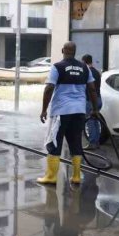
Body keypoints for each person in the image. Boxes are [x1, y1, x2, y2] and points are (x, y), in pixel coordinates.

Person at [38, 42, 97, 185]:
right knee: (76, 142)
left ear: (63, 50)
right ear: (75, 52)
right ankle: (76, 176)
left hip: (61, 112)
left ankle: (51, 177)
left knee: (54, 142)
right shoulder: (84, 68)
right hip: (79, 111)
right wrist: (95, 109)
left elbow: (49, 88)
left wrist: (44, 110)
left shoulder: (57, 67)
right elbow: (92, 89)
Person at [81, 54, 103, 149]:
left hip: (91, 100)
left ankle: (92, 143)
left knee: (90, 121)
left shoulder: (88, 72)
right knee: (95, 120)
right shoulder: (97, 72)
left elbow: (91, 88)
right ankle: (97, 142)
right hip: (98, 99)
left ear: (84, 62)